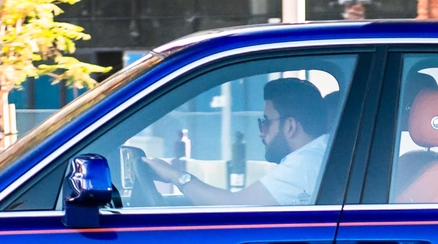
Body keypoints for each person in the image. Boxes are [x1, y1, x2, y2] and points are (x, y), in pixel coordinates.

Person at [142, 77, 332, 206]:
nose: (260, 133)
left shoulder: (305, 163)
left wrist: (176, 176)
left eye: (265, 122)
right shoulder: (319, 155)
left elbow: (234, 206)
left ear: (290, 126)